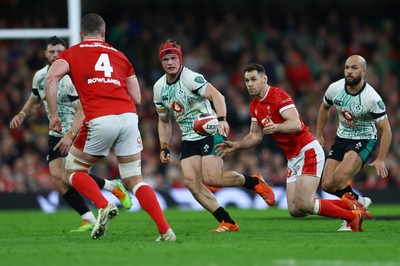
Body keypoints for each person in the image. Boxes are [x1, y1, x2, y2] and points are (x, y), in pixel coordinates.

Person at [45, 14, 175, 241]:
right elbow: (136, 97)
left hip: (98, 117)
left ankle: (103, 204)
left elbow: (51, 78)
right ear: (104, 33)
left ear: (80, 34)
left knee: (72, 172)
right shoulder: (120, 56)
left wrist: (54, 115)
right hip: (128, 116)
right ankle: (165, 230)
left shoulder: (71, 53)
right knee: (135, 180)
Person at [216, 63, 371, 232]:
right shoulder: (255, 106)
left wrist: (276, 127)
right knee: (295, 210)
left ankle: (353, 217)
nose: (249, 84)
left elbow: (296, 124)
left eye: (253, 79)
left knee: (306, 203)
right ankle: (352, 204)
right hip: (293, 158)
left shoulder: (278, 96)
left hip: (307, 150)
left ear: (264, 79)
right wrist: (237, 145)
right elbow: (255, 136)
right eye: (246, 80)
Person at [9, 36, 132, 232]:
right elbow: (34, 101)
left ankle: (111, 189)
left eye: (59, 52)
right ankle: (90, 215)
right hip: (56, 133)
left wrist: (70, 135)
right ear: (45, 54)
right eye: (52, 52)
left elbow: (82, 111)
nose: (56, 55)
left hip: (77, 131)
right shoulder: (40, 76)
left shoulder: (69, 79)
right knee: (59, 179)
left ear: (65, 52)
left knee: (71, 176)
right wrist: (22, 114)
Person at [153, 40, 275, 233]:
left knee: (212, 179)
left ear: (180, 59)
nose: (170, 63)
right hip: (188, 137)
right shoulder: (159, 88)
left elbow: (218, 96)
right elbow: (163, 120)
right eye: (166, 59)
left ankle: (255, 182)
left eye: (174, 58)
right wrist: (164, 146)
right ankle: (227, 222)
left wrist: (221, 119)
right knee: (191, 183)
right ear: (161, 62)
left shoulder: (191, 78)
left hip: (209, 130)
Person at [316, 55, 392, 231]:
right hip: (342, 137)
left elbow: (386, 129)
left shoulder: (372, 98)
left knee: (340, 177)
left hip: (364, 139)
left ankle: (353, 218)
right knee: (327, 184)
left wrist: (381, 158)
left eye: (354, 68)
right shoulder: (335, 88)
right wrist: (319, 134)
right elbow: (324, 108)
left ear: (364, 71)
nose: (349, 71)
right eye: (347, 67)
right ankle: (358, 201)